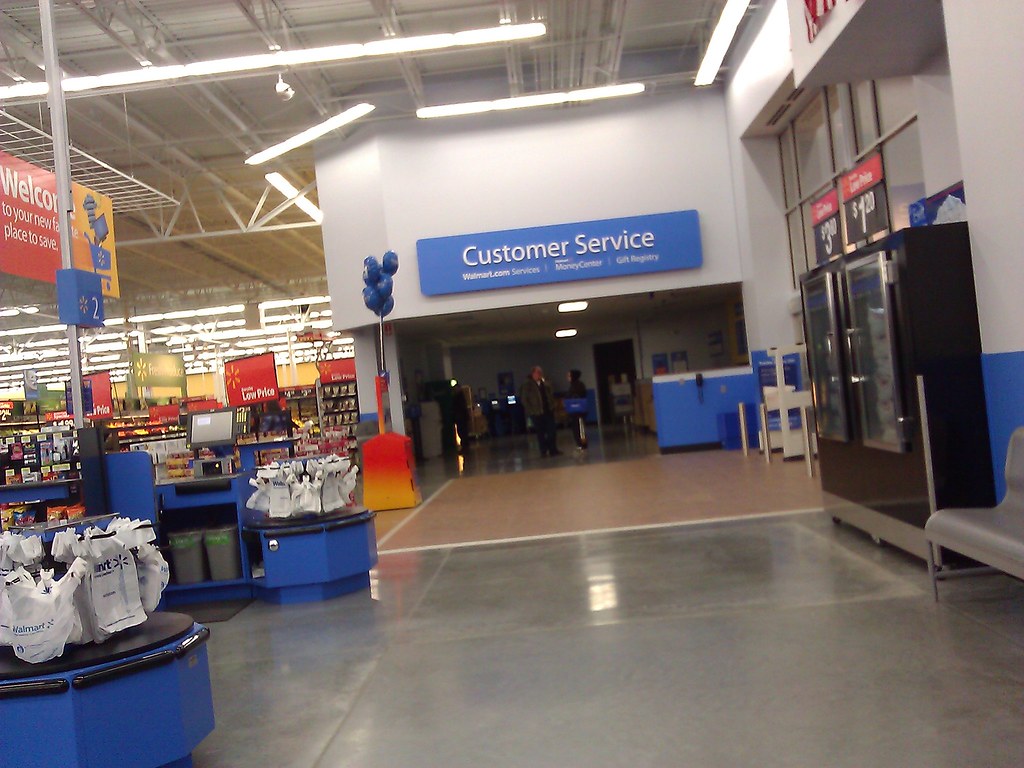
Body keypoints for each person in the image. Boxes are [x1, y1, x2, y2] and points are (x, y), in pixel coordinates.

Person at [519, 366, 561, 457]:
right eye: (538, 372)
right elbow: (524, 399)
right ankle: (543, 451)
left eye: (540, 372)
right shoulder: (527, 384)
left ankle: (553, 449)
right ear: (533, 373)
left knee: (552, 431)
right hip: (536, 413)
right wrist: (531, 410)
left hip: (548, 411)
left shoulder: (544, 383)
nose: (540, 374)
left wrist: (553, 405)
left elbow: (551, 393)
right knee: (540, 433)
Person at [566, 369, 588, 450]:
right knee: (577, 429)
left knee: (580, 429)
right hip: (576, 412)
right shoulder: (574, 385)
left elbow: (575, 396)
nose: (567, 378)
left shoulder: (578, 385)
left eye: (569, 375)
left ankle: (582, 444)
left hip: (578, 412)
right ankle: (581, 444)